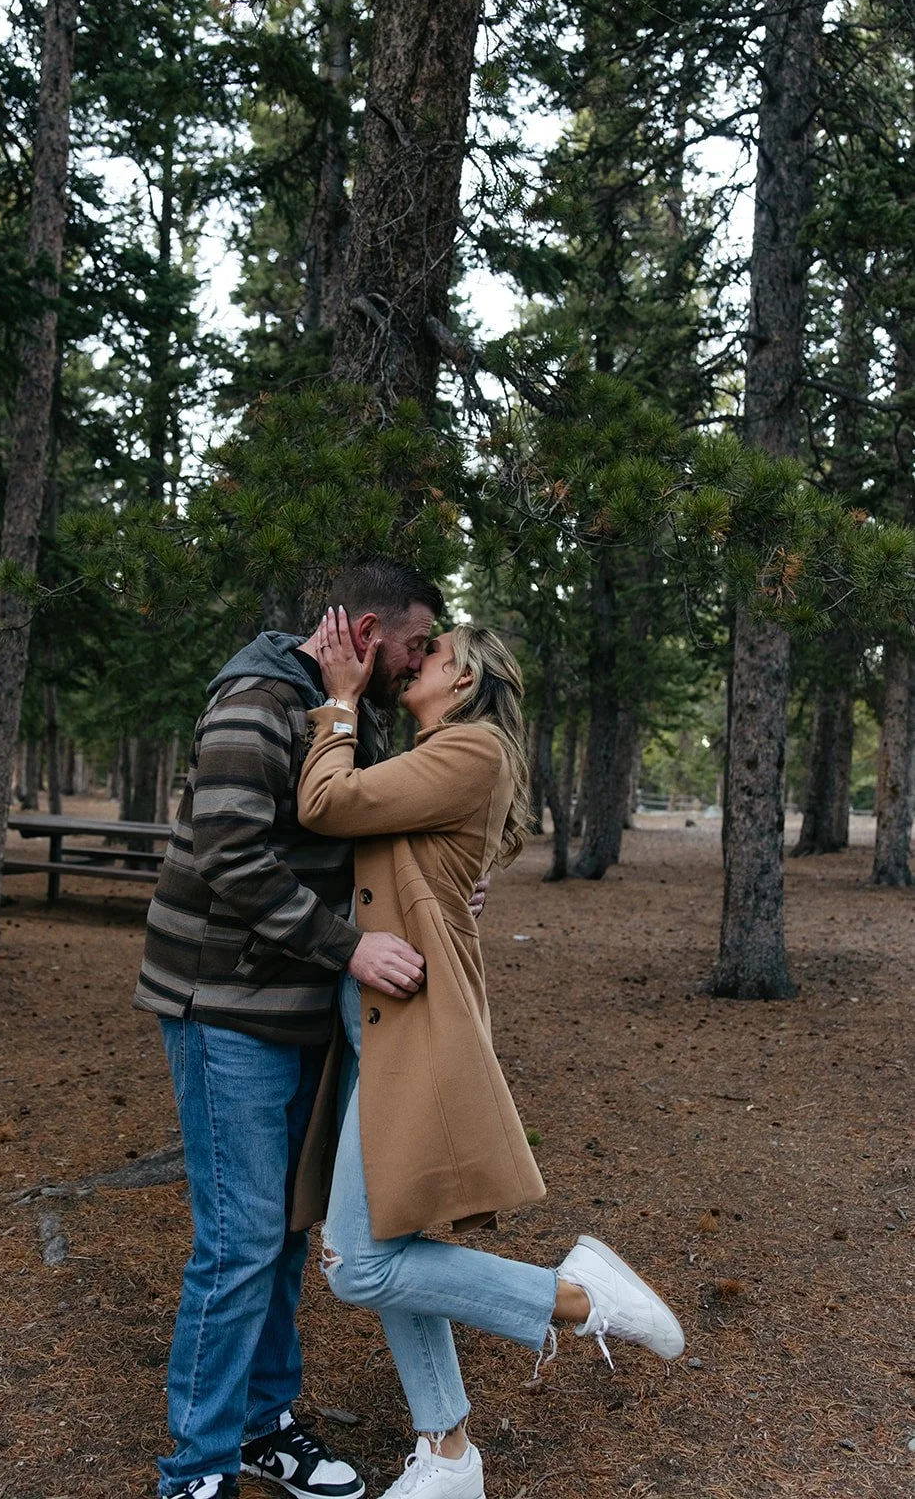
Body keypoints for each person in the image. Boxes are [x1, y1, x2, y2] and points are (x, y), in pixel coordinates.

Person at [293, 609, 685, 1499]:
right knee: (389, 1247)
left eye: (430, 652)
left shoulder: (470, 752)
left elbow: (326, 804)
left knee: (359, 1266)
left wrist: (338, 703)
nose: (413, 659)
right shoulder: (437, 758)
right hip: (377, 1021)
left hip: (418, 1026)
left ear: (462, 680)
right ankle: (448, 1454)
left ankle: (580, 1300)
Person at [133, 559, 449, 1499]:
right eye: (415, 643)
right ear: (362, 630)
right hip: (223, 1005)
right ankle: (194, 1469)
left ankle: (265, 1422)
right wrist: (348, 948)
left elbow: (347, 824)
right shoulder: (257, 700)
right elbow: (232, 854)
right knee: (236, 1241)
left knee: (279, 1233)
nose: (420, 659)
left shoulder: (339, 710)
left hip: (294, 1003)